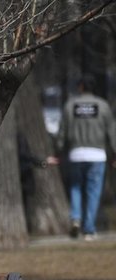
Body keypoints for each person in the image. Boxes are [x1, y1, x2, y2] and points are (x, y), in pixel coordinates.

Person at [50, 74, 116, 241]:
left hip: (76, 154)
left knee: (76, 188)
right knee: (93, 192)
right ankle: (89, 229)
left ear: (80, 87)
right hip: (97, 154)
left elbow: (62, 132)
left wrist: (58, 152)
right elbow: (111, 132)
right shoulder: (103, 106)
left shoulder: (70, 106)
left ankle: (76, 218)